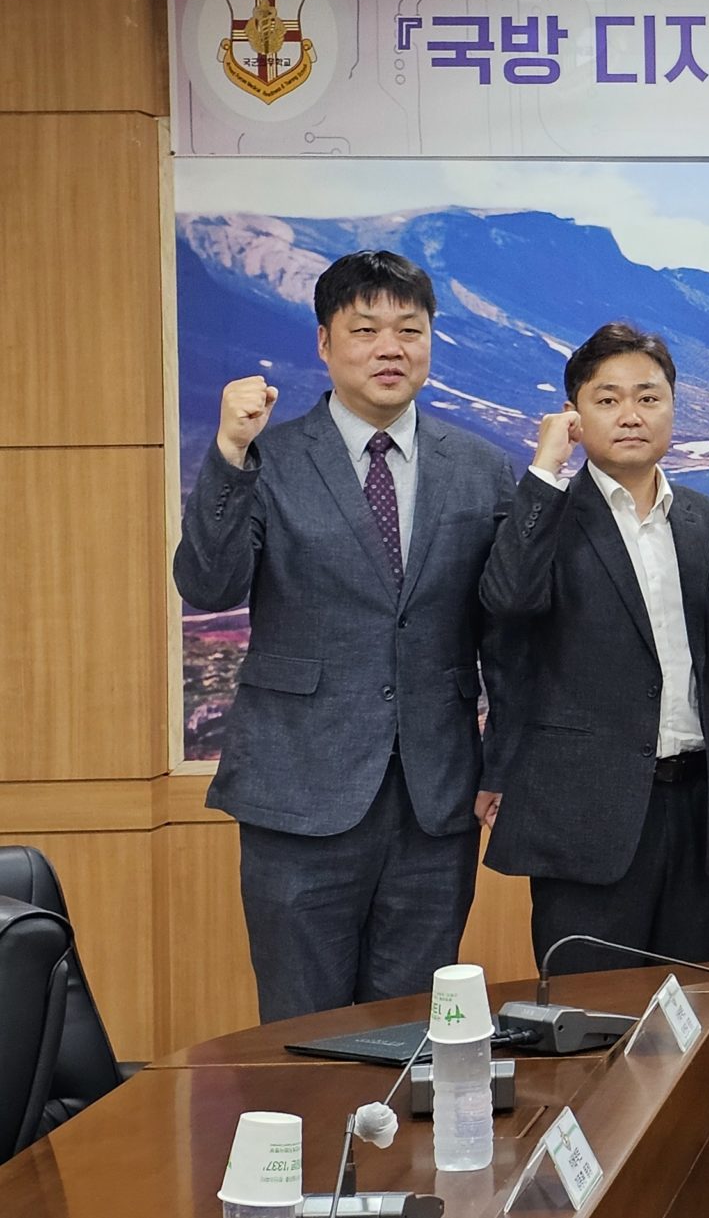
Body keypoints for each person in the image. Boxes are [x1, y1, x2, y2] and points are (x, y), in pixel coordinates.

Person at [172, 249, 516, 1022]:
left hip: (435, 802)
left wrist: (503, 758)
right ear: (324, 343)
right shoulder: (269, 459)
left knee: (412, 1031)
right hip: (298, 794)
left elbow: (507, 634)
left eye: (409, 329)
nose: (390, 347)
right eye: (365, 329)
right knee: (303, 1030)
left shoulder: (482, 468)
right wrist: (227, 454)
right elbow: (209, 585)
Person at [479, 323, 709, 974]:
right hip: (584, 818)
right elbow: (506, 603)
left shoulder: (708, 521)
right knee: (590, 1016)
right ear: (574, 415)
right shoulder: (545, 516)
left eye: (648, 397)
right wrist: (544, 469)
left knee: (691, 1009)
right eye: (607, 399)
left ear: (673, 407)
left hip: (700, 815)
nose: (631, 415)